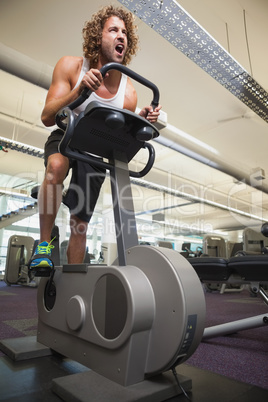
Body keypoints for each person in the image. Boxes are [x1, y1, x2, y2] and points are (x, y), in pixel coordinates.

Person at [30, 5, 161, 272]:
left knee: (80, 223)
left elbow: (121, 133)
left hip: (94, 148)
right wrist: (80, 90)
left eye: (125, 32)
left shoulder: (129, 93)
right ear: (97, 37)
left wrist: (140, 118)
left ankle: (74, 282)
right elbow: (46, 116)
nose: (121, 35)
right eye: (113, 30)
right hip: (65, 135)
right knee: (55, 167)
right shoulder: (71, 66)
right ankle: (43, 247)